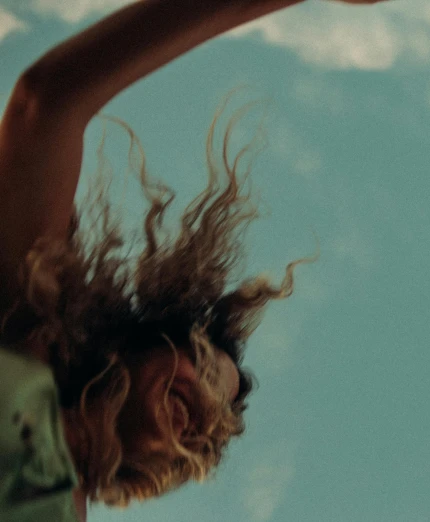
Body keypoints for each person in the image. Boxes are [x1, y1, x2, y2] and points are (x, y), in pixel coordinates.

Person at [0, 1, 388, 521]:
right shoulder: (23, 332)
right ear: (136, 347)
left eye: (216, 429)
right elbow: (46, 104)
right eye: (205, 366)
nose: (204, 410)